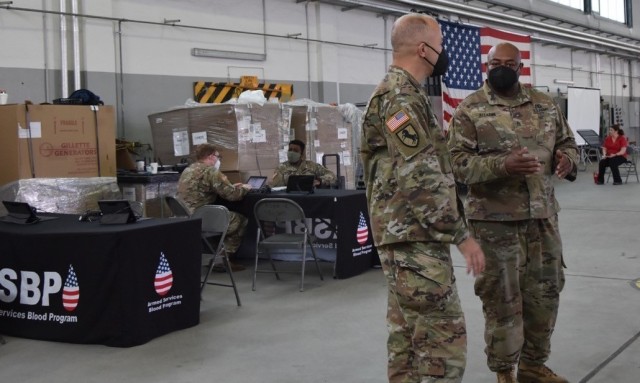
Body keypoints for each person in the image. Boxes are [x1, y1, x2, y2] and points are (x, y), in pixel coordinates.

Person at [361, 13, 485, 383]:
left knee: (407, 342)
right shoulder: (401, 97)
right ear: (423, 49)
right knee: (441, 345)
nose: (444, 54)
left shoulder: (400, 93)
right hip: (415, 239)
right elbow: (421, 179)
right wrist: (461, 236)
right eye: (441, 47)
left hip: (404, 238)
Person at [447, 42, 578, 383]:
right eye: (495, 63)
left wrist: (568, 159)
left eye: (509, 62)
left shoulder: (545, 105)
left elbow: (567, 142)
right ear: (486, 66)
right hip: (495, 226)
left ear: (520, 67)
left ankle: (534, 366)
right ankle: (504, 372)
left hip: (543, 219)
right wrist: (502, 165)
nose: (502, 67)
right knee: (502, 301)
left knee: (545, 295)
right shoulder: (470, 110)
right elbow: (456, 166)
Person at [177, 143, 252, 271]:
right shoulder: (211, 171)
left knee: (226, 217)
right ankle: (223, 259)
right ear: (211, 156)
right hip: (202, 219)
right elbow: (232, 195)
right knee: (240, 220)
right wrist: (245, 188)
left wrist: (230, 186)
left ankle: (217, 256)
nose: (218, 160)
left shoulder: (188, 169)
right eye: (218, 157)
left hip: (185, 218)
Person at [270, 139, 337, 188]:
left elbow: (332, 176)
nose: (292, 152)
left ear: (301, 154)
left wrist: (319, 181)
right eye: (290, 150)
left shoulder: (312, 166)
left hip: (310, 198)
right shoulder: (281, 168)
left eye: (295, 150)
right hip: (290, 199)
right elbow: (275, 186)